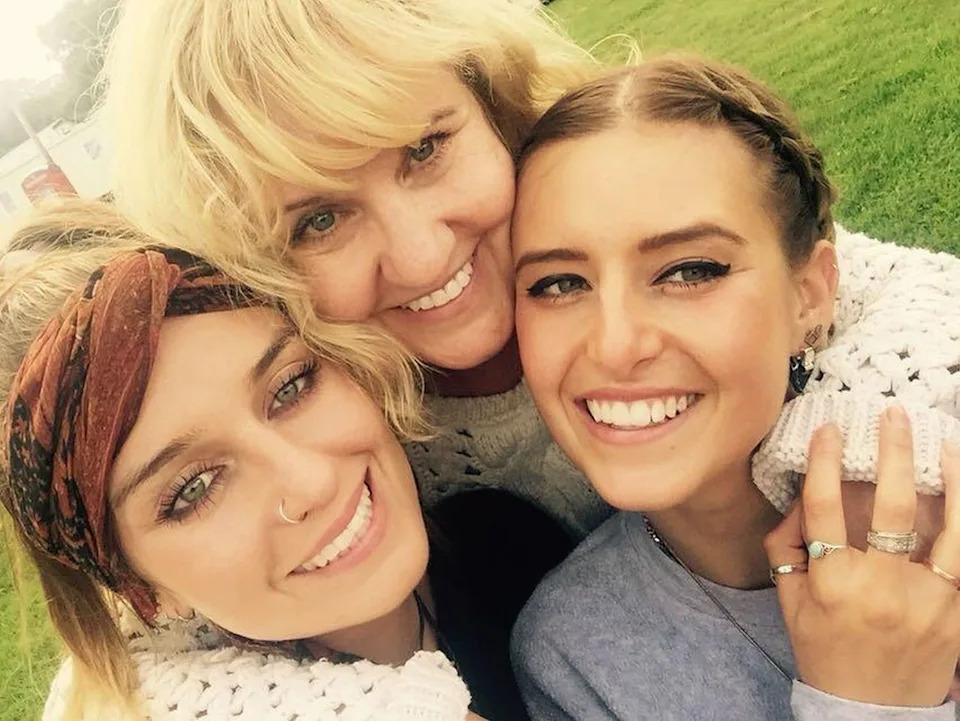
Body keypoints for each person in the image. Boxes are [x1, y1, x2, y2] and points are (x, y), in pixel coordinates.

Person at [101, 0, 960, 543]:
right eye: (318, 220)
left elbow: (901, 294)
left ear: (497, 100)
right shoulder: (323, 429)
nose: (423, 252)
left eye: (425, 149)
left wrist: (849, 456)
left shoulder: (606, 188)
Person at [508, 56, 960, 720]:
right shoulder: (572, 650)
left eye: (689, 270)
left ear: (809, 294)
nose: (613, 345)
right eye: (558, 282)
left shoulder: (940, 479)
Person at [0, 203, 547, 721]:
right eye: (194, 488)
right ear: (136, 588)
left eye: (290, 388)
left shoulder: (503, 542)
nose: (310, 481)